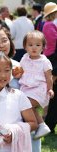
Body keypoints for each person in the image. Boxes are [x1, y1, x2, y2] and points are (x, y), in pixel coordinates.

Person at [14, 31, 54, 139]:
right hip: (26, 88)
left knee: (27, 104)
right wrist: (17, 74)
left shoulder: (44, 61)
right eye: (30, 45)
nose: (34, 48)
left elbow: (48, 77)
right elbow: (21, 72)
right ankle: (39, 126)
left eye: (37, 45)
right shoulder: (24, 58)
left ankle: (38, 125)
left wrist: (50, 89)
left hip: (39, 89)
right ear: (25, 46)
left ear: (43, 47)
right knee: (27, 106)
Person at [42, 2, 57, 134]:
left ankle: (50, 123)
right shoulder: (50, 25)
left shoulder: (47, 24)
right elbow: (54, 43)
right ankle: (50, 124)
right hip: (54, 59)